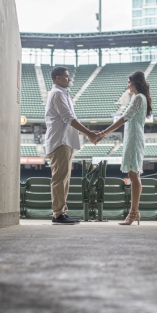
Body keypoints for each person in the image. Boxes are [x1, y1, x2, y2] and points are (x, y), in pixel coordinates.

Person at [45, 66, 100, 225]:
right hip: (59, 141)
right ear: (57, 78)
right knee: (60, 179)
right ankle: (58, 214)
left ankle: (61, 212)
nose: (69, 79)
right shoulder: (57, 94)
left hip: (64, 141)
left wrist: (86, 133)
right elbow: (68, 118)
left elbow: (70, 120)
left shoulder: (62, 94)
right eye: (66, 76)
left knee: (64, 179)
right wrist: (89, 133)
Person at [95, 71, 152, 225]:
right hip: (132, 138)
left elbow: (123, 118)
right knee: (134, 175)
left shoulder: (139, 98)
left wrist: (104, 133)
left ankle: (133, 213)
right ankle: (135, 211)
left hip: (134, 139)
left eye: (129, 82)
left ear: (136, 83)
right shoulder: (140, 98)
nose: (128, 85)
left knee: (134, 176)